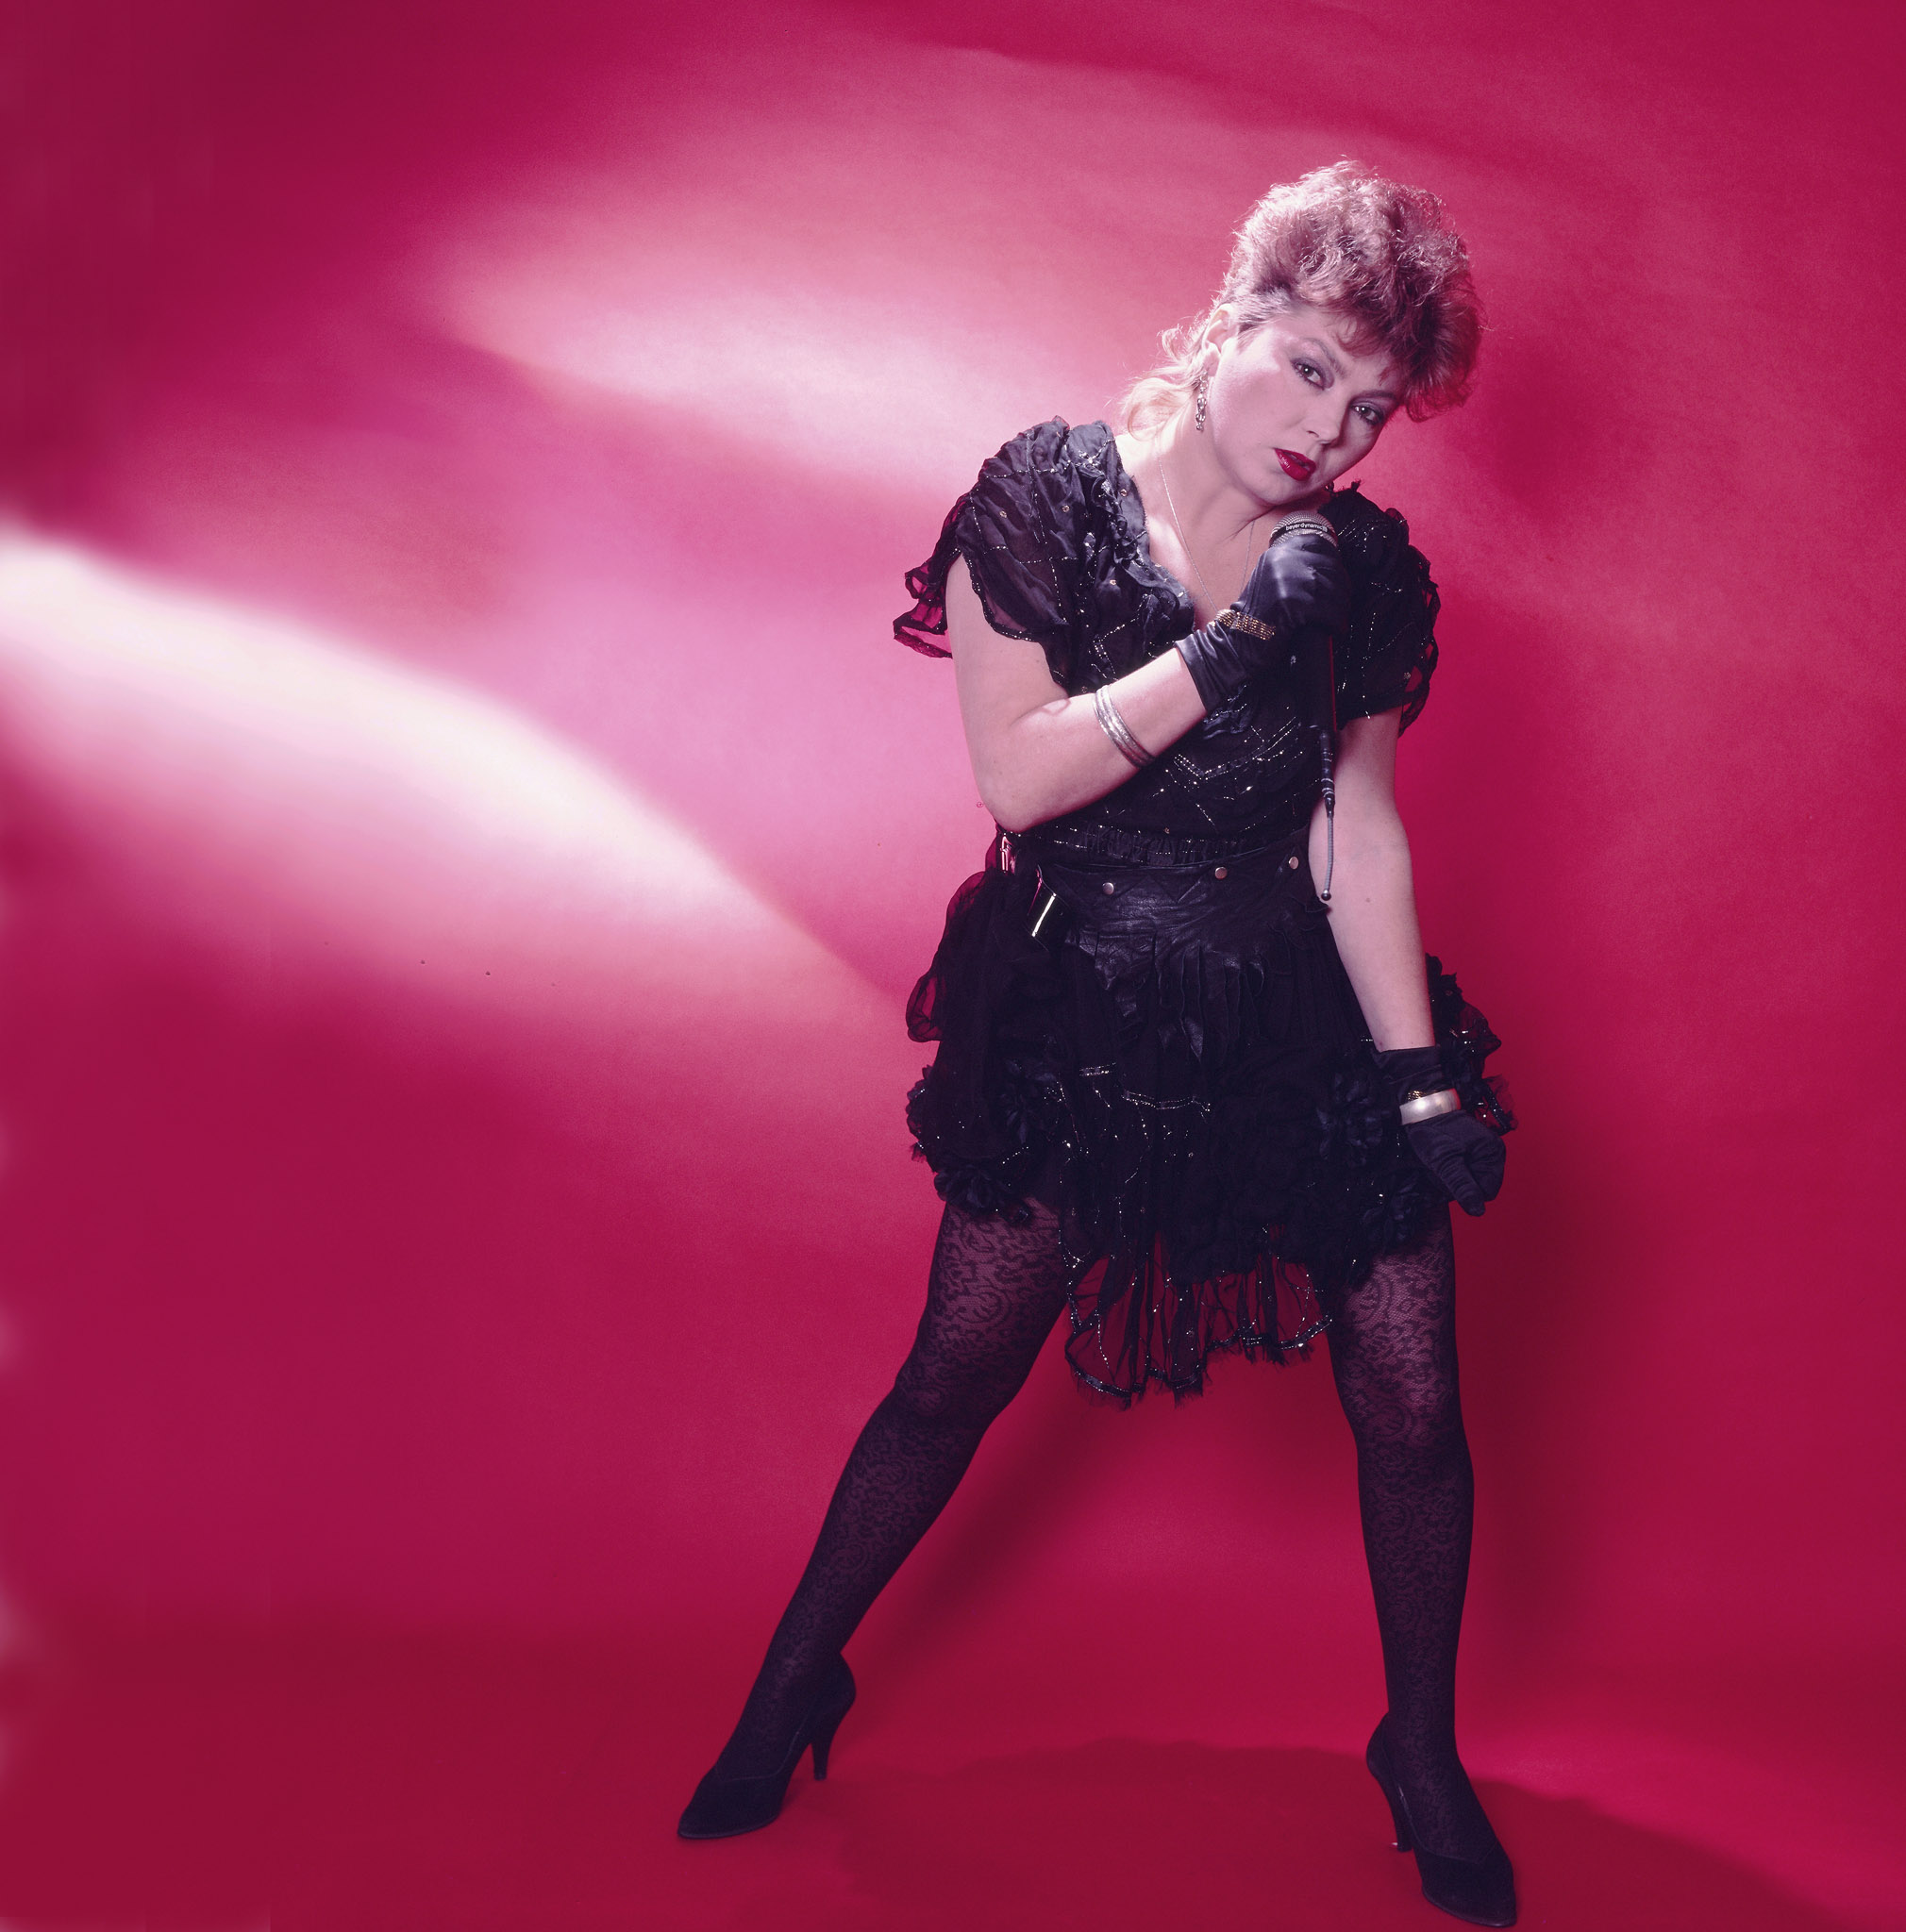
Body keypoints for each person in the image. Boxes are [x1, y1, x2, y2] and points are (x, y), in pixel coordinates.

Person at [677, 160, 1518, 1928]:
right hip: (1085, 1014)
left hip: (1295, 1015)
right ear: (1232, 321)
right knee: (951, 1377)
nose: (1329, 433)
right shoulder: (1045, 499)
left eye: (1370, 412)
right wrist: (1236, 644)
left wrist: (1418, 1077)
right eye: (1309, 370)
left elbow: (1353, 828)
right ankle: (794, 1679)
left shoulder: (1366, 568)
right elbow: (1020, 778)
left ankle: (1422, 1751)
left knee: (1415, 1393)